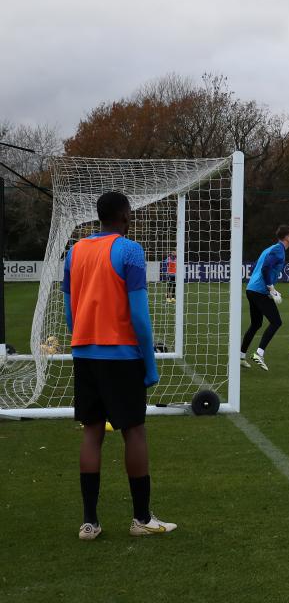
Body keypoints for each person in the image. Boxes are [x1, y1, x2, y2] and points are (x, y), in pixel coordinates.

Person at [63, 191, 175, 540]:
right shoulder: (130, 250)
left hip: (84, 353)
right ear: (125, 215)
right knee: (134, 431)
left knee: (92, 431)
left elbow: (69, 310)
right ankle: (141, 518)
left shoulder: (74, 251)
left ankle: (89, 522)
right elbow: (140, 316)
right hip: (121, 355)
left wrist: (82, 336)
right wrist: (150, 362)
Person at [240, 225, 289, 371]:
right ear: (287, 237)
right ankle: (259, 353)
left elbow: (261, 268)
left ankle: (240, 356)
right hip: (259, 290)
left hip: (252, 289)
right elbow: (265, 268)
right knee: (276, 322)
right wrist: (270, 288)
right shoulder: (278, 250)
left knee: (256, 324)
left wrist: (272, 289)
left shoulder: (271, 248)